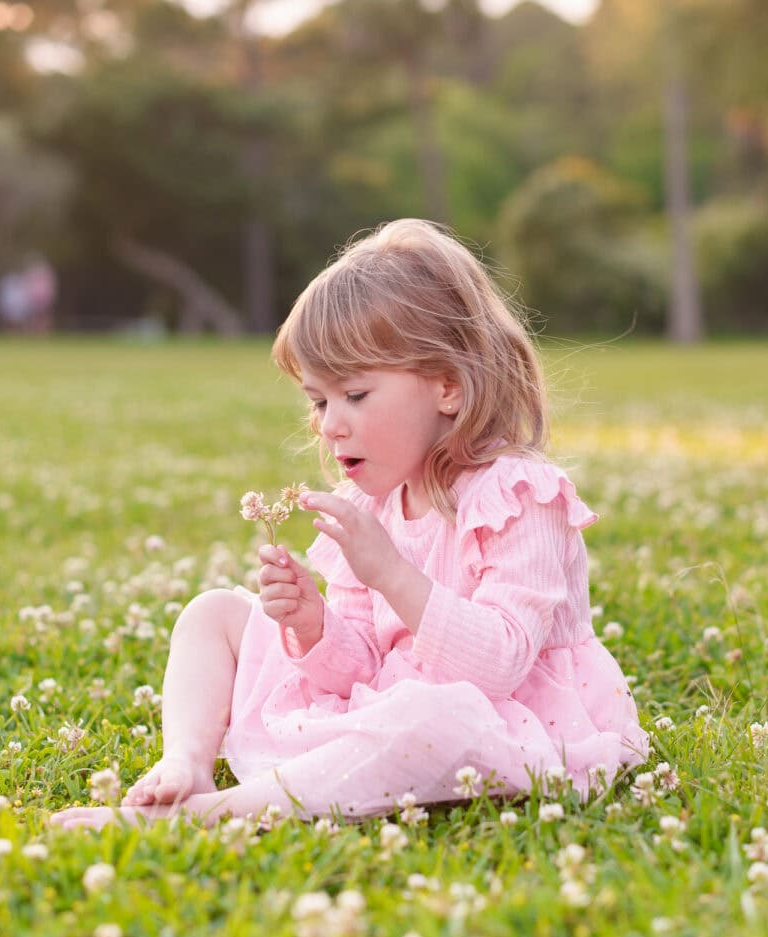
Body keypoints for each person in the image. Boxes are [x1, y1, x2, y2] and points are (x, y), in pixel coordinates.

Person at [52, 219, 649, 831]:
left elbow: (500, 666)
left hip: (508, 718)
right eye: (319, 401)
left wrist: (391, 573)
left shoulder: (519, 495)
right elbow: (361, 666)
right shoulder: (368, 504)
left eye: (355, 396)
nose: (330, 424)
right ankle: (187, 762)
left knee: (430, 724)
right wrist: (314, 627)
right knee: (213, 615)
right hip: (389, 701)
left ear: (448, 386)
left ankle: (208, 816)